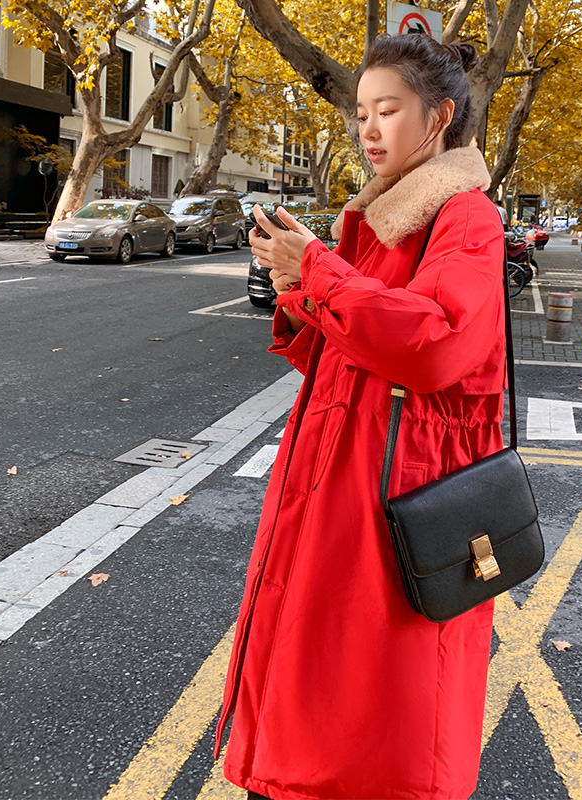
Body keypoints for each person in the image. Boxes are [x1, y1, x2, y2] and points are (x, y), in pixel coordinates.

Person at [215, 33, 506, 800]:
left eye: (389, 110)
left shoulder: (463, 217)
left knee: (370, 710)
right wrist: (298, 285)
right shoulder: (386, 219)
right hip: (343, 480)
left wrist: (319, 270)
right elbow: (354, 354)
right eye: (361, 114)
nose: (369, 129)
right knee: (315, 681)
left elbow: (435, 343)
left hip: (393, 493)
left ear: (439, 117)